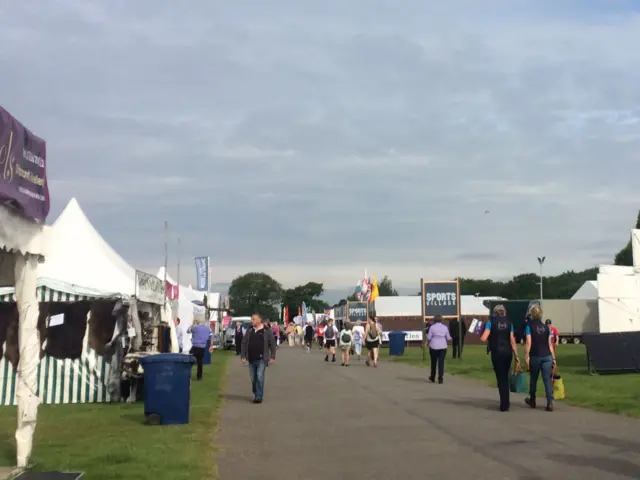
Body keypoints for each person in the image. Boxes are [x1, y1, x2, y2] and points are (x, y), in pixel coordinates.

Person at [480, 305, 520, 412]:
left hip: (497, 352)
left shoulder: (490, 323)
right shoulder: (509, 323)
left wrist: (482, 332)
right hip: (508, 352)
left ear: (495, 313)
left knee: (500, 378)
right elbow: (512, 340)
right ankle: (506, 402)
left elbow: (483, 338)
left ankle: (504, 404)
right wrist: (516, 356)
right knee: (505, 377)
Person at [525, 305, 556, 412]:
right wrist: (554, 358)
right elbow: (550, 344)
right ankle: (549, 403)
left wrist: (526, 355)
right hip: (547, 356)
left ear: (532, 314)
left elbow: (529, 342)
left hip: (535, 356)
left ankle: (532, 400)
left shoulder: (529, 327)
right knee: (547, 379)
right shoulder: (547, 328)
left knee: (533, 378)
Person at [240, 313, 277, 404]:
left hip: (262, 358)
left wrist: (272, 357)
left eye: (254, 319)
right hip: (251, 358)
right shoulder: (250, 331)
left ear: (260, 320)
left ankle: (259, 396)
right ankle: (256, 391)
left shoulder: (266, 331)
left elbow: (272, 344)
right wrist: (243, 356)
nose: (252, 321)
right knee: (253, 378)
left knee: (260, 376)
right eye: (252, 319)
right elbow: (243, 343)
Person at [426, 315, 451, 384]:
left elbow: (428, 338)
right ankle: (440, 378)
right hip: (443, 346)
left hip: (433, 346)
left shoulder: (432, 327)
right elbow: (448, 338)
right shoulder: (445, 327)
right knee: (441, 362)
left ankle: (432, 377)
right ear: (441, 320)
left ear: (434, 320)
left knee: (433, 362)